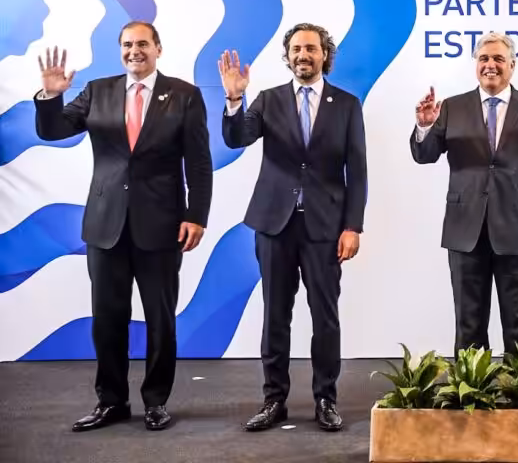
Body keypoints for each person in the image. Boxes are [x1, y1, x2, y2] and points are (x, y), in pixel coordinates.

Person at [34, 22, 213, 432]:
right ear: (120, 51)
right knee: (107, 317)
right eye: (128, 45)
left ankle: (155, 402)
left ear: (158, 49)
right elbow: (52, 129)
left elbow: (199, 164)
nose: (135, 51)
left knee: (160, 318)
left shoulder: (184, 95)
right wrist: (50, 96)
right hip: (105, 225)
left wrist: (196, 216)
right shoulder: (98, 91)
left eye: (143, 44)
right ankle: (111, 401)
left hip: (164, 225)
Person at [220, 23, 366, 432]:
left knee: (325, 316)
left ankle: (326, 399)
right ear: (288, 56)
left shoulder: (348, 105)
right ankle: (274, 400)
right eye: (297, 49)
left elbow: (358, 171)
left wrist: (352, 226)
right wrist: (234, 98)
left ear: (325, 55)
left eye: (311, 49)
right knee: (275, 316)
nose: (304, 55)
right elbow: (237, 139)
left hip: (325, 227)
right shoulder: (267, 100)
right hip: (274, 225)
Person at [411, 32, 518, 357]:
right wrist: (424, 127)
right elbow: (425, 156)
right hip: (465, 230)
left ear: (512, 65)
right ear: (475, 64)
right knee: (468, 323)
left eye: (497, 59)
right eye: (483, 59)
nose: (490, 65)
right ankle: (472, 397)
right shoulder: (451, 107)